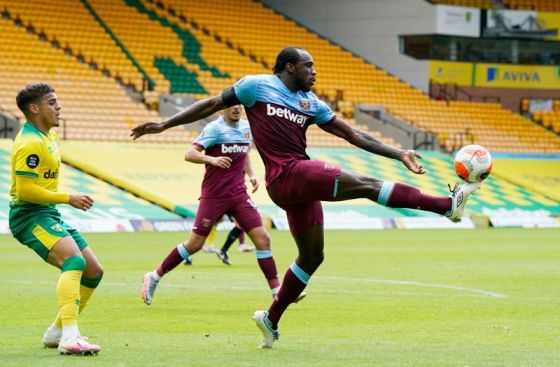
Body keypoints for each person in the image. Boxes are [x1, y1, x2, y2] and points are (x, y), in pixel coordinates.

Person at [131, 46, 480, 348]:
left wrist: (397, 152)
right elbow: (210, 103)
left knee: (313, 256)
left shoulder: (311, 103)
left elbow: (352, 133)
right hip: (286, 175)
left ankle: (270, 318)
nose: (314, 71)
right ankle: (446, 206)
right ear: (288, 68)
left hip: (297, 181)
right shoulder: (255, 86)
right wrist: (164, 125)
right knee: (367, 183)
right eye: (308, 65)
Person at [141, 105, 302, 304]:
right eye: (231, 107)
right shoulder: (214, 129)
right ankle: (154, 276)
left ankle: (277, 291)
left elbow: (244, 155)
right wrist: (212, 159)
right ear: (222, 111)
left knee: (263, 239)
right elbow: (189, 153)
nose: (236, 109)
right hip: (214, 196)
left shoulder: (245, 128)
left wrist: (251, 175)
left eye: (239, 107)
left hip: (239, 195)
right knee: (195, 244)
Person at [9, 83, 102, 355]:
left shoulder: (48, 137)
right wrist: (68, 197)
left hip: (46, 212)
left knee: (94, 271)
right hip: (28, 216)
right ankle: (70, 337)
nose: (58, 107)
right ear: (34, 108)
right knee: (74, 261)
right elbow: (25, 190)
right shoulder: (30, 143)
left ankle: (57, 331)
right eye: (52, 102)